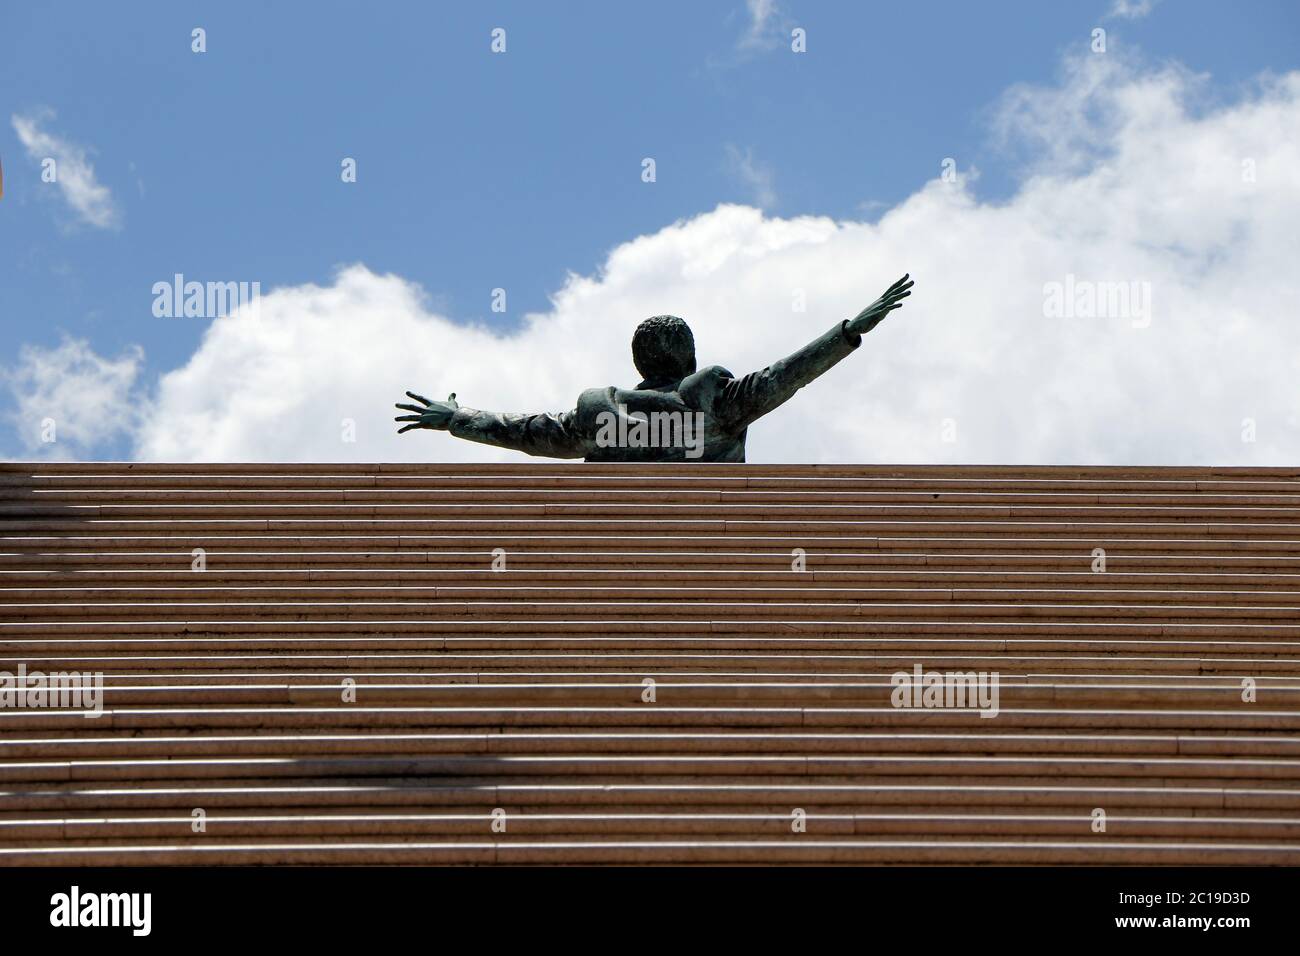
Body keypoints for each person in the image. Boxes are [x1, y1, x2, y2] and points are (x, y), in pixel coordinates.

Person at [395, 274, 913, 462]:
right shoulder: (717, 401)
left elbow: (524, 433)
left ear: (637, 362)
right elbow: (786, 375)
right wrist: (849, 331)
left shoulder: (598, 415)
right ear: (689, 357)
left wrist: (454, 418)